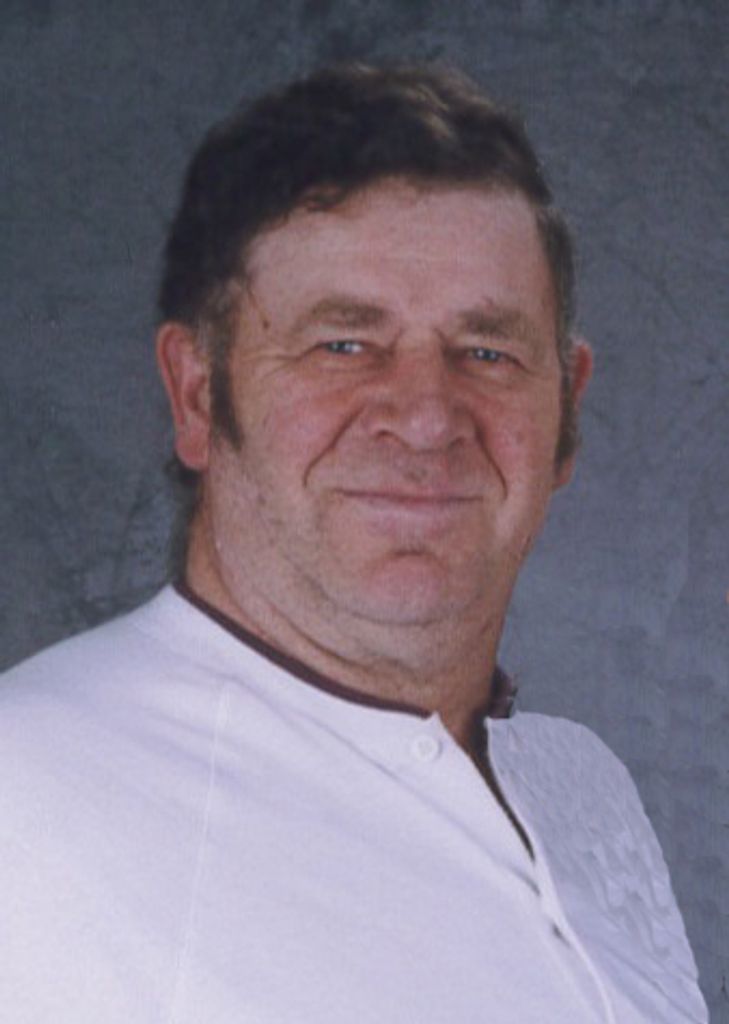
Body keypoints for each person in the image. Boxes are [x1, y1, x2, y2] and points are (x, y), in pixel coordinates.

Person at [0, 63, 708, 1023]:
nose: (425, 417)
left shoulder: (582, 786)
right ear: (198, 394)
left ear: (566, 412)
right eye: (342, 344)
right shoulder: (27, 791)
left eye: (488, 351)